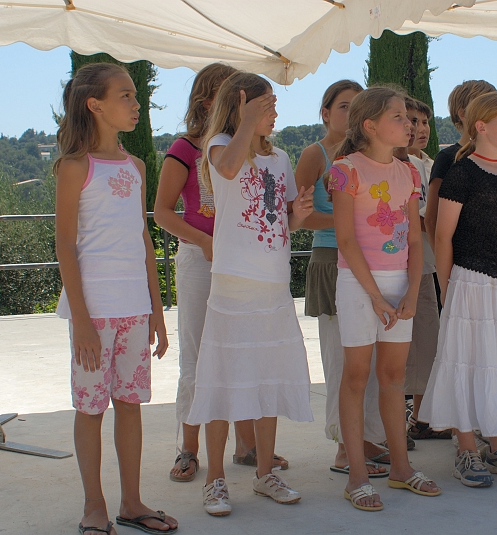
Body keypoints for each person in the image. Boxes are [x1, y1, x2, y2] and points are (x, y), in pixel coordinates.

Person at [54, 62, 177, 535]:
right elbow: (65, 245)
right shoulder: (74, 167)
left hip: (134, 310)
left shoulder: (137, 166)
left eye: (135, 95)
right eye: (125, 95)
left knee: (130, 404)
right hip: (94, 311)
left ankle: (132, 502)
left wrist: (157, 310)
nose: (136, 103)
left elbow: (142, 238)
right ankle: (94, 506)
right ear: (95, 105)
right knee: (91, 408)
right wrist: (82, 320)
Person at [186, 71, 315, 515]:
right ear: (241, 105)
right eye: (266, 105)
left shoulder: (279, 158)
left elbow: (282, 220)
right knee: (223, 379)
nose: (274, 112)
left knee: (267, 378)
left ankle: (264, 474)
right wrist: (244, 121)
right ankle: (216, 480)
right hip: (233, 283)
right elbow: (226, 169)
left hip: (273, 283)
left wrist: (300, 214)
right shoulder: (220, 144)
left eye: (275, 104)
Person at [154, 63, 288, 484]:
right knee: (200, 355)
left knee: (242, 352)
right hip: (201, 258)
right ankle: (189, 449)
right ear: (210, 99)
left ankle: (246, 446)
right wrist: (204, 241)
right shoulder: (188, 148)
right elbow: (162, 212)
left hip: (243, 261)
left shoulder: (257, 148)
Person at [420, 92, 497, 488]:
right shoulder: (462, 173)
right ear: (481, 126)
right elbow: (443, 236)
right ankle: (466, 449)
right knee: (468, 360)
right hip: (470, 281)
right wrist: (446, 289)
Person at [328, 86, 441, 511]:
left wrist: (411, 291)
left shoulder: (409, 173)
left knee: (394, 378)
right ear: (370, 125)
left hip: (398, 286)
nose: (408, 124)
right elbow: (346, 240)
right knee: (356, 377)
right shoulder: (345, 170)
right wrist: (376, 296)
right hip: (358, 285)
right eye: (398, 116)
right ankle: (356, 475)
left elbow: (413, 238)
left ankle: (401, 467)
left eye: (409, 117)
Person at [294, 80, 392, 478]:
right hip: (332, 261)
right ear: (325, 113)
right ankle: (343, 446)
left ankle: (366, 438)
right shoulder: (314, 154)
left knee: (371, 359)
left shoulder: (371, 157)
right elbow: (297, 217)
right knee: (340, 359)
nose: (350, 114)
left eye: (357, 107)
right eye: (343, 106)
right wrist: (347, 221)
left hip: (373, 262)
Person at [402, 98, 447, 441]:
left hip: (430, 264)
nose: (419, 129)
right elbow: (414, 218)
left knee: (427, 342)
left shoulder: (430, 163)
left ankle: (421, 416)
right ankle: (401, 420)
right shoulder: (400, 165)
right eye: (412, 121)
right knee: (404, 347)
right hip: (402, 264)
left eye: (425, 122)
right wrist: (436, 221)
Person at [424, 80, 497, 252]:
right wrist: (442, 262)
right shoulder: (447, 158)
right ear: (463, 114)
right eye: (484, 106)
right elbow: (432, 219)